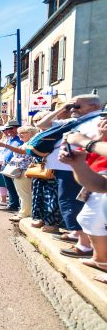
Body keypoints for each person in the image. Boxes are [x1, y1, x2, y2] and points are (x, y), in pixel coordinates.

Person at [36, 94, 103, 245]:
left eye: (77, 106)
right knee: (68, 201)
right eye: (70, 106)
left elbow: (95, 145)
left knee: (72, 202)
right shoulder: (74, 121)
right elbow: (42, 124)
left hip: (77, 169)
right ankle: (77, 234)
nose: (72, 109)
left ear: (94, 106)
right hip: (66, 168)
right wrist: (62, 107)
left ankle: (83, 241)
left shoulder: (98, 121)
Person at [58, 116, 107, 283]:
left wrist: (86, 142)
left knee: (91, 219)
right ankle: (100, 259)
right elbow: (100, 184)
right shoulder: (100, 140)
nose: (102, 121)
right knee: (87, 218)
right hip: (100, 180)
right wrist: (76, 164)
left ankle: (101, 259)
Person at [0, 125, 39, 222]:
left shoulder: (31, 143)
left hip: (24, 170)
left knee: (24, 193)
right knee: (23, 193)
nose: (20, 135)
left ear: (31, 133)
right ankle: (26, 212)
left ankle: (24, 213)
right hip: (20, 170)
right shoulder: (27, 143)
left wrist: (5, 145)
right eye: (19, 133)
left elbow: (23, 152)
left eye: (23, 133)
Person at [0, 120, 22, 212]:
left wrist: (5, 145)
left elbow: (20, 151)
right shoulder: (10, 139)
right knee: (10, 186)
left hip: (16, 165)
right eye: (7, 129)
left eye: (11, 128)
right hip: (6, 165)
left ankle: (17, 205)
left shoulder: (20, 139)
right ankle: (13, 204)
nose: (8, 131)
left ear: (17, 128)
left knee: (17, 187)